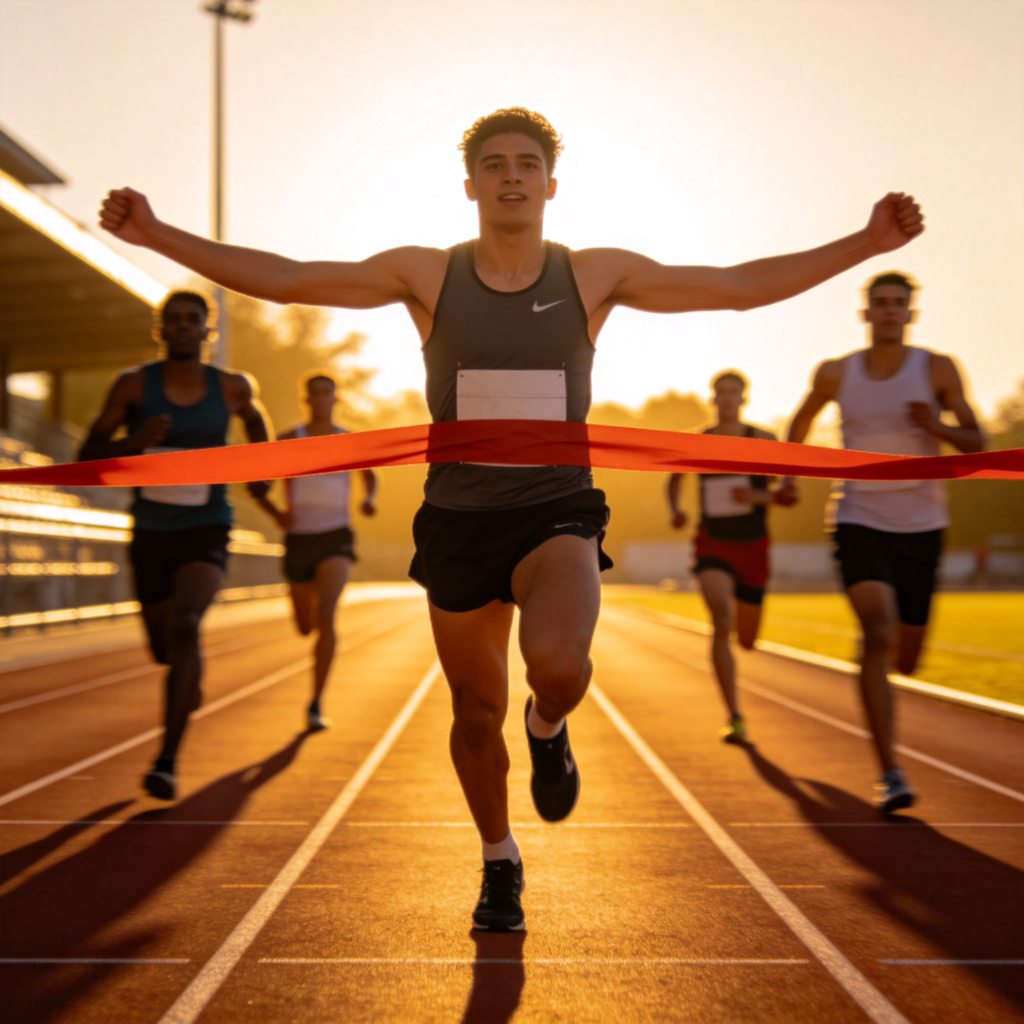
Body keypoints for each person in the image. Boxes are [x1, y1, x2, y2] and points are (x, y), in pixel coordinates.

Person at [98, 107, 925, 930]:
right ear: (470, 185)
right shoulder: (427, 275)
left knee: (558, 666)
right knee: (472, 711)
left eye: (527, 163)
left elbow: (739, 289)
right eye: (494, 164)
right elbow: (289, 279)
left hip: (557, 511)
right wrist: (159, 233)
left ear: (551, 185)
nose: (512, 176)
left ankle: (551, 724)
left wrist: (864, 243)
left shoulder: (592, 276)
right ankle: (499, 860)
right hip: (458, 521)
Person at [785, 271, 984, 813]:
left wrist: (939, 429)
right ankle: (890, 771)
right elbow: (800, 422)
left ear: (910, 314)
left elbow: (978, 440)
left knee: (908, 656)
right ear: (865, 313)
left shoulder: (936, 368)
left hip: (922, 524)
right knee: (877, 630)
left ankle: (892, 710)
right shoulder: (836, 372)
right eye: (881, 304)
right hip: (857, 515)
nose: (890, 311)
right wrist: (784, 477)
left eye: (899, 304)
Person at [78, 290, 272, 801]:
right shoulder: (135, 385)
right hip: (150, 532)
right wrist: (133, 443)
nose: (184, 327)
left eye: (194, 320)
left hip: (207, 528)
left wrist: (261, 473)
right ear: (160, 330)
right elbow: (86, 454)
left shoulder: (230, 387)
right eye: (175, 320)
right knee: (166, 648)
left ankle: (166, 761)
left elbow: (256, 424)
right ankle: (186, 683)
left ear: (207, 332)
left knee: (188, 626)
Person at [666, 370, 797, 743]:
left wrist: (760, 498)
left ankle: (737, 699)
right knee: (721, 622)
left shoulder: (763, 440)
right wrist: (676, 510)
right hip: (713, 544)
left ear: (744, 398)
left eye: (733, 392)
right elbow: (673, 479)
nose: (726, 398)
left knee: (748, 639)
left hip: (753, 546)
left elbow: (790, 491)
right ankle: (735, 715)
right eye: (720, 392)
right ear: (713, 398)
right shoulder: (698, 441)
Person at [254, 370, 378, 731]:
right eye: (315, 393)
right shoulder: (291, 439)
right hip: (300, 539)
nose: (322, 398)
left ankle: (316, 702)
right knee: (305, 626)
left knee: (327, 614)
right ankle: (307, 606)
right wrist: (276, 513)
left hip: (336, 536)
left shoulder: (348, 440)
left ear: (335, 398)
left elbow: (369, 476)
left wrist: (368, 500)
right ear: (306, 399)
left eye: (327, 392)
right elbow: (259, 482)